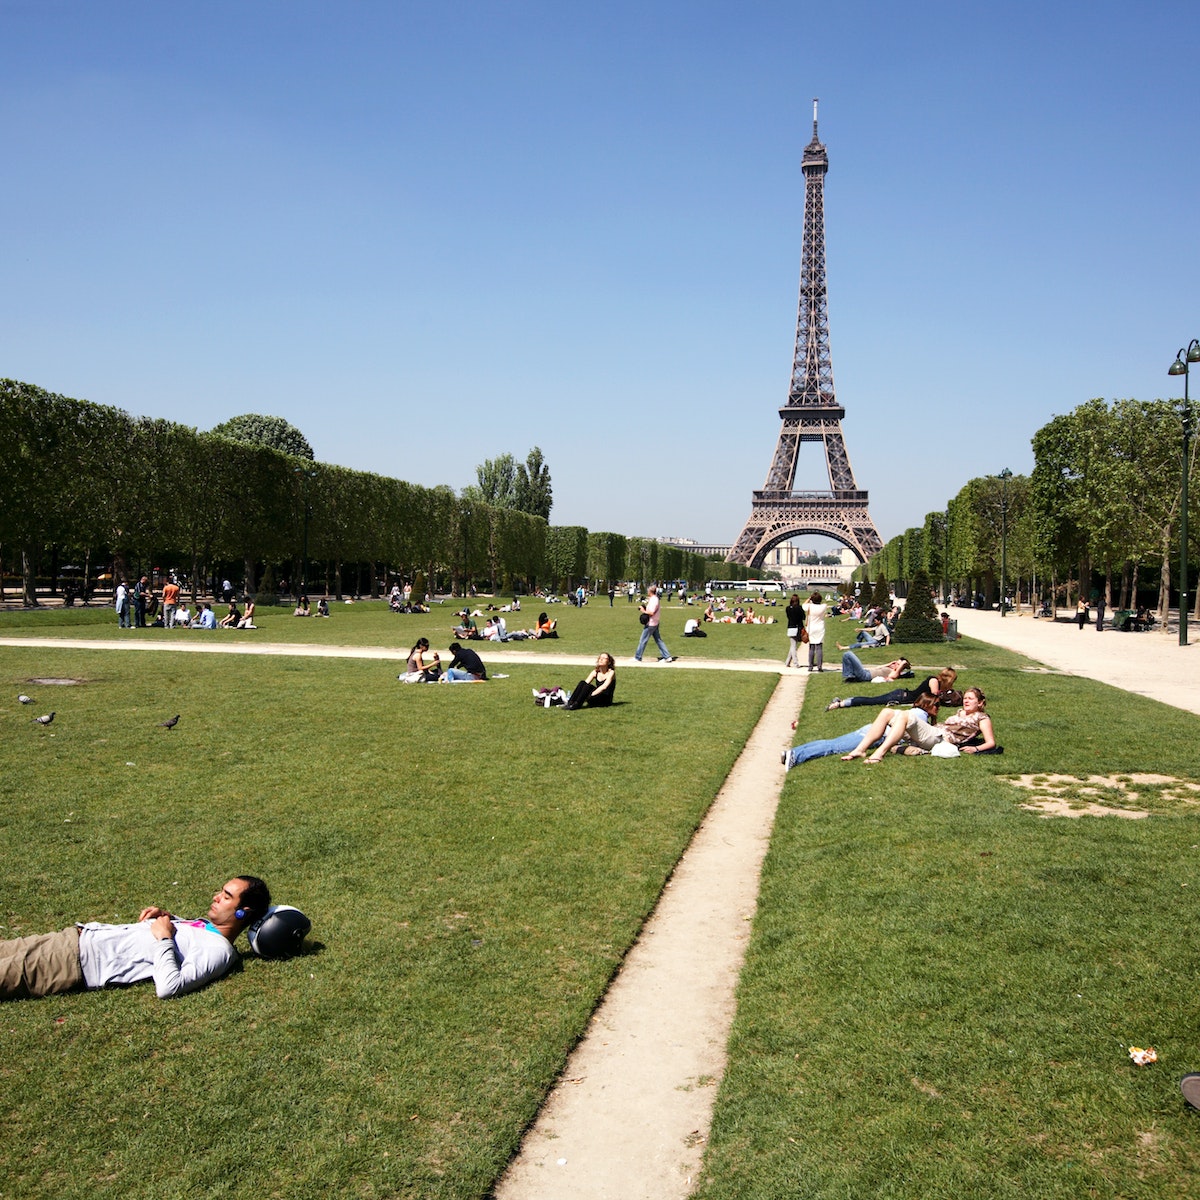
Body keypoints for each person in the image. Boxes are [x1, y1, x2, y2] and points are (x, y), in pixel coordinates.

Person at [1, 876, 271, 1001]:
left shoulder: (219, 952)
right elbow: (186, 938)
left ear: (241, 911)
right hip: (71, 939)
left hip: (69, 963)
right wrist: (167, 917)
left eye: (226, 896)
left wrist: (163, 938)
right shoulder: (206, 928)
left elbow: (170, 987)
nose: (216, 896)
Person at [840, 695, 944, 763]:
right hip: (885, 735)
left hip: (877, 731)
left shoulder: (916, 713)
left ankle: (862, 750)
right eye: (937, 705)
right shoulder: (921, 714)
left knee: (886, 712)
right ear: (926, 705)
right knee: (833, 746)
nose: (939, 708)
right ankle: (870, 752)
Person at [827, 668, 957, 710]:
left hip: (902, 696)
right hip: (900, 697)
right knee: (872, 701)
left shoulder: (937, 683)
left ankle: (842, 702)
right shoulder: (933, 680)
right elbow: (935, 695)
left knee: (872, 701)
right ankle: (840, 703)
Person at [635, 584, 673, 663]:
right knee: (658, 640)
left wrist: (643, 611)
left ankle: (638, 657)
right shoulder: (654, 599)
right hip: (655, 622)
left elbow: (651, 612)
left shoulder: (654, 600)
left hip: (651, 623)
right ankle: (667, 657)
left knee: (643, 640)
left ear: (650, 591)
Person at [839, 651, 910, 684]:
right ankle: (850, 677)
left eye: (897, 664)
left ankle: (850, 676)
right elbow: (877, 667)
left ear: (901, 667)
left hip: (865, 675)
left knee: (848, 654)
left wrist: (903, 664)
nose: (895, 664)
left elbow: (895, 675)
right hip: (865, 672)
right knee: (847, 655)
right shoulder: (890, 669)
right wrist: (889, 664)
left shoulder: (895, 673)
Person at [802, 590, 827, 672]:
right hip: (820, 628)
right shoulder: (823, 606)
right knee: (819, 648)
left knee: (811, 648)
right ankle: (819, 666)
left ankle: (810, 666)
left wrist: (809, 599)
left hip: (811, 628)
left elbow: (803, 605)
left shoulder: (809, 606)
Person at [784, 593, 806, 668]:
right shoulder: (799, 608)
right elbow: (803, 617)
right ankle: (795, 662)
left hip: (790, 627)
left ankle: (787, 662)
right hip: (798, 627)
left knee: (793, 645)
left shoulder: (787, 608)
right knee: (793, 646)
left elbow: (788, 617)